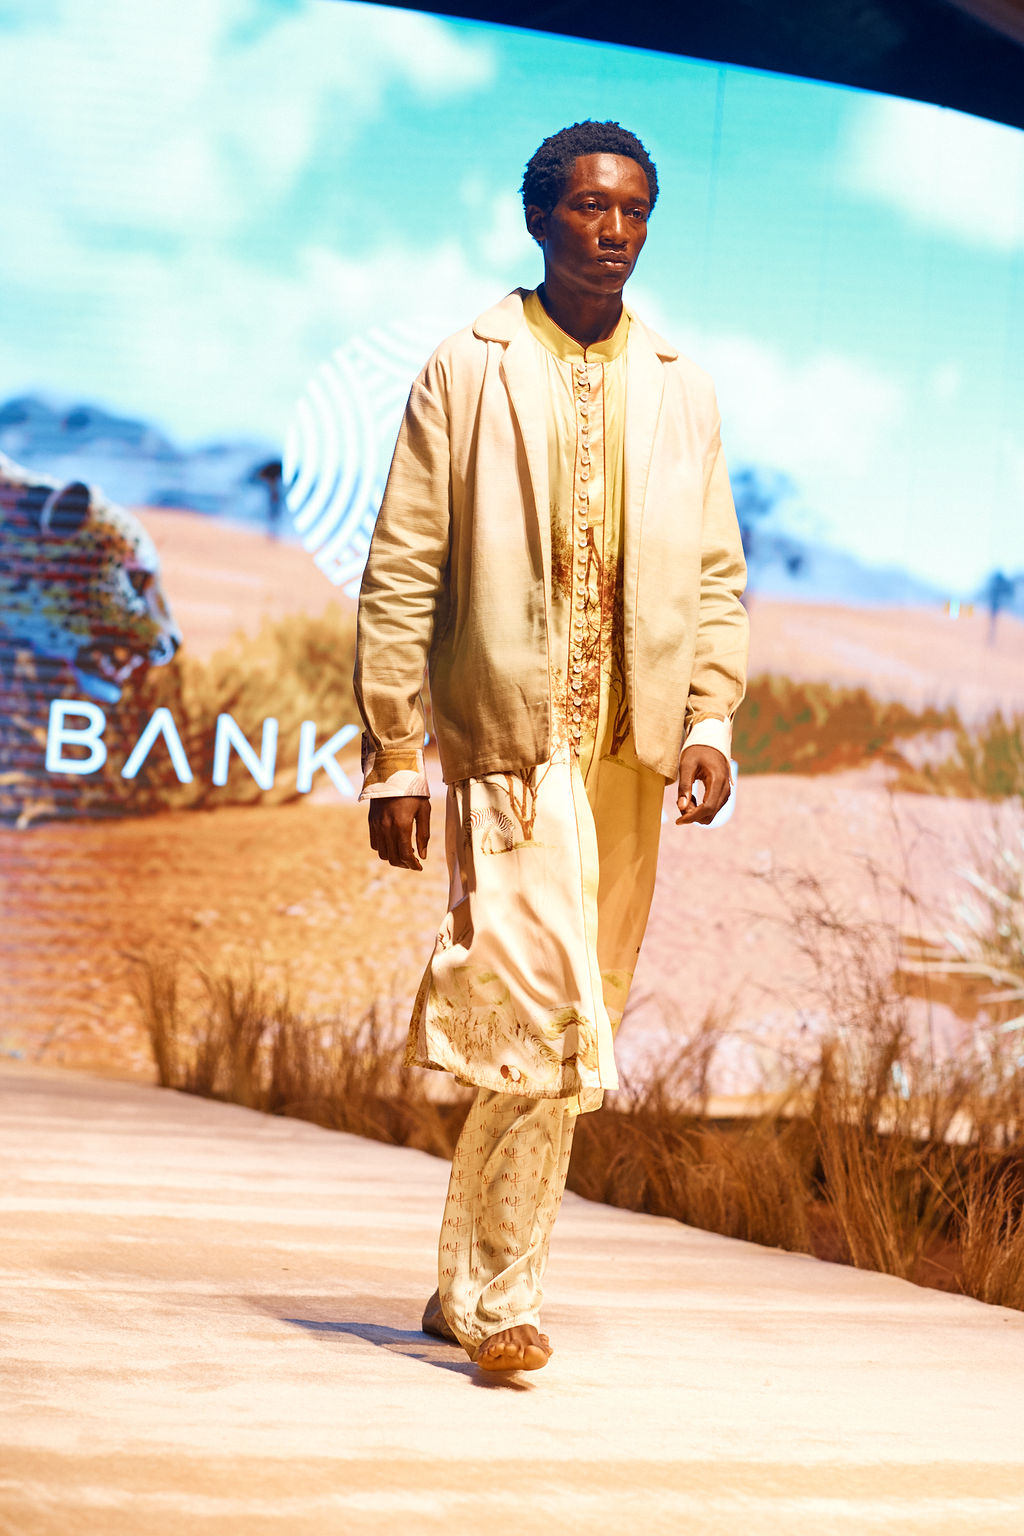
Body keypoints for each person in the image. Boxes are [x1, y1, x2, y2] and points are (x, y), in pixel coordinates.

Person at [354, 120, 748, 1374]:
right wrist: (394, 754)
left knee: (579, 1016)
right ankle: (494, 1300)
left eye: (633, 210)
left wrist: (708, 718)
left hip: (628, 753)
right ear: (538, 218)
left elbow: (717, 574)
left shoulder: (682, 384)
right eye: (588, 206)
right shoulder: (465, 366)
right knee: (543, 1009)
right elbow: (402, 570)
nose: (613, 230)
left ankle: (460, 1284)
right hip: (510, 747)